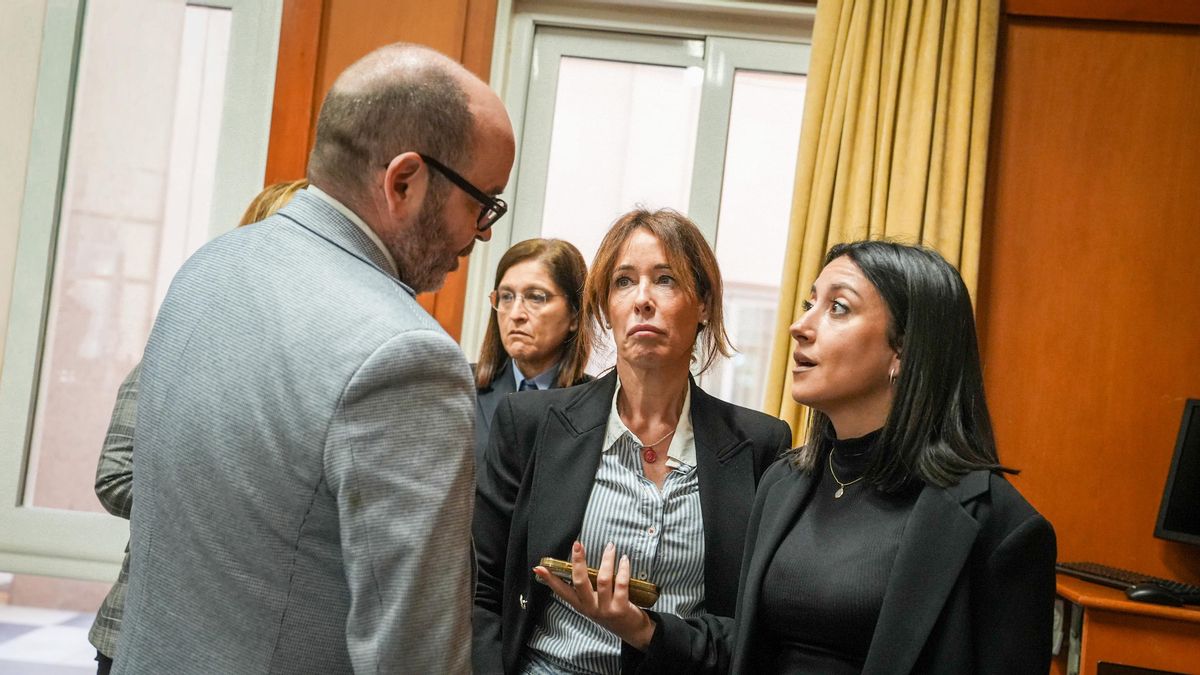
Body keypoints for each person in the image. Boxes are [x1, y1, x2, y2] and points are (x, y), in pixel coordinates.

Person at [115, 43, 515, 674]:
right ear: (403, 182)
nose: (483, 233)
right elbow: (413, 656)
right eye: (482, 204)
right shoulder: (405, 356)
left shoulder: (210, 266)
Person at [472, 208, 792, 674]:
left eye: (666, 280)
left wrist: (647, 630)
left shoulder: (759, 444)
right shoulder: (530, 424)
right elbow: (483, 588)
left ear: (703, 304)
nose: (642, 299)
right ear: (604, 307)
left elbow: (752, 628)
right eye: (624, 282)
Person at [726, 241, 1056, 673]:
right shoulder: (780, 483)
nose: (799, 326)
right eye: (810, 304)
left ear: (902, 349)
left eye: (838, 308)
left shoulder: (999, 526)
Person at [86, 179, 307, 675]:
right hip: (141, 631)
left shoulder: (321, 362)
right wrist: (234, 512)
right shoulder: (185, 342)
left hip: (259, 646)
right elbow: (115, 476)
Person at [474, 238, 591, 466]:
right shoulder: (462, 388)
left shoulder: (595, 404)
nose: (516, 313)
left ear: (575, 315)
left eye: (536, 297)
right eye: (506, 296)